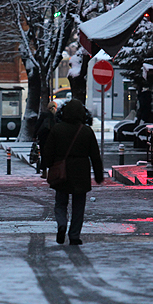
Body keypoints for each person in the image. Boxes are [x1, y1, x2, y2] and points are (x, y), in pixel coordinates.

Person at [43, 99, 104, 245]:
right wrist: (98, 174)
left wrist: (46, 166)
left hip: (61, 171)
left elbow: (48, 150)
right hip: (81, 171)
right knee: (79, 205)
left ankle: (62, 223)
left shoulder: (57, 129)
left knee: (60, 202)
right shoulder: (86, 131)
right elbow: (95, 155)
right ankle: (74, 235)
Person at [33, 101, 57, 178]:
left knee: (43, 154)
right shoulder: (57, 116)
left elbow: (37, 125)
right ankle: (52, 172)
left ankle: (44, 172)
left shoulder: (44, 115)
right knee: (54, 154)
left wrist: (34, 135)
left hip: (43, 137)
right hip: (54, 138)